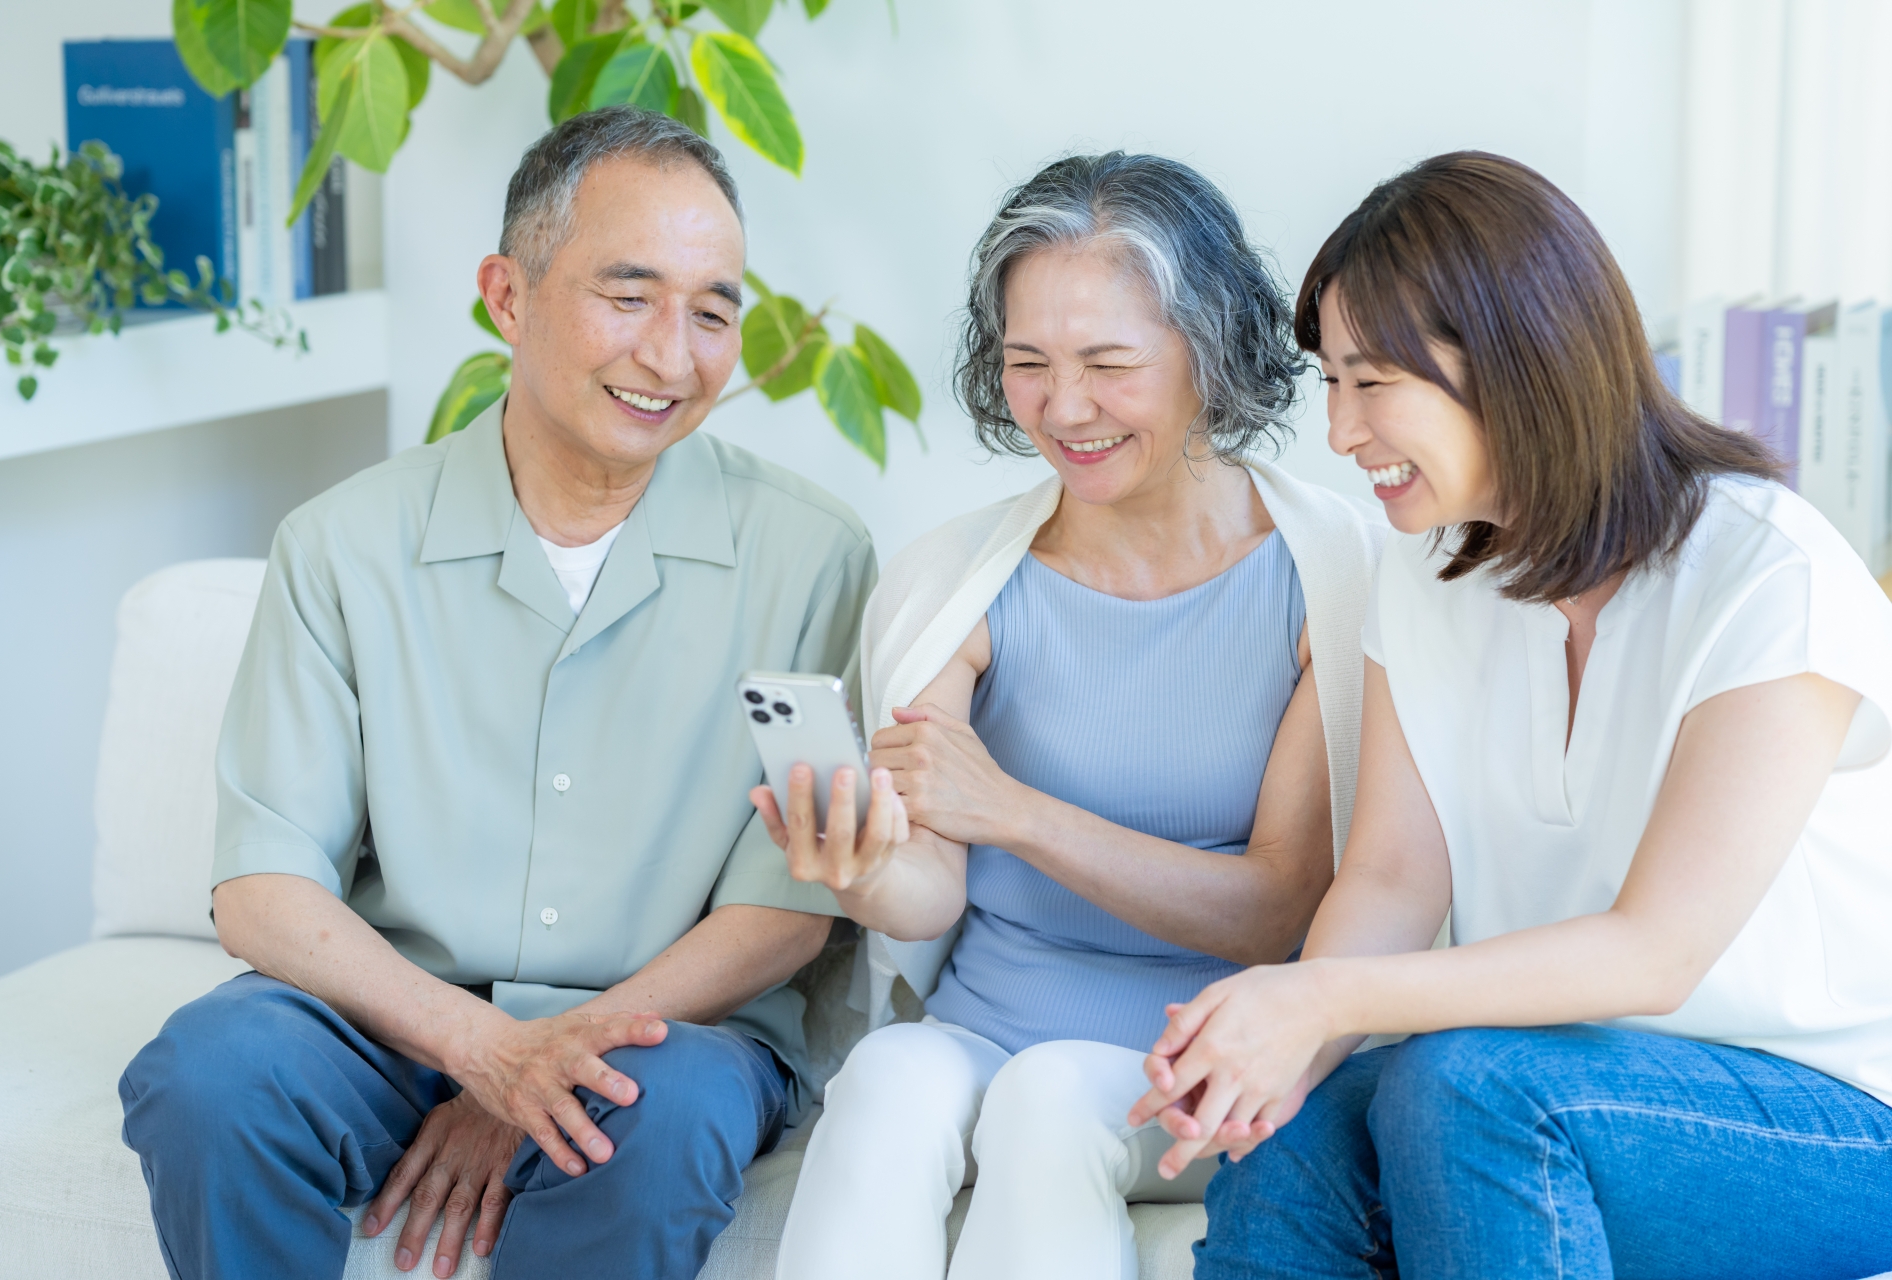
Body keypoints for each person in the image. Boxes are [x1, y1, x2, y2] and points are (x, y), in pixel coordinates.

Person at [116, 106, 881, 1280]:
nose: (674, 354)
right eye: (628, 296)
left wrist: (544, 1061)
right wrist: (483, 1048)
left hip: (671, 1039)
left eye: (714, 310)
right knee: (210, 1073)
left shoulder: (812, 556)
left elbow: (789, 908)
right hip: (396, 1022)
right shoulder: (342, 545)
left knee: (659, 1116)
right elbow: (264, 891)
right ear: (507, 296)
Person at [1129, 151, 1892, 1280]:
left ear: (1515, 360)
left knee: (1469, 1082)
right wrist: (1284, 1054)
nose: (1340, 431)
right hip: (1549, 1079)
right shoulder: (1423, 572)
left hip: (1822, 1120)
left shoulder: (1768, 570)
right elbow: (1391, 877)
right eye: (1331, 382)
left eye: (1372, 381)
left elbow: (1657, 953)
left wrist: (1315, 993)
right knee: (1292, 1129)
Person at [758, 152, 1386, 1280]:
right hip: (983, 1019)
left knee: (1048, 1095)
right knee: (887, 1081)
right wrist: (852, 864)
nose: (1064, 406)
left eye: (1109, 363)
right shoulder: (958, 582)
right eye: (1029, 364)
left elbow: (1271, 908)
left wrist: (1016, 810)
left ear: (1213, 352)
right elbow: (931, 883)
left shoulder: (1330, 578)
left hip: (1207, 1045)